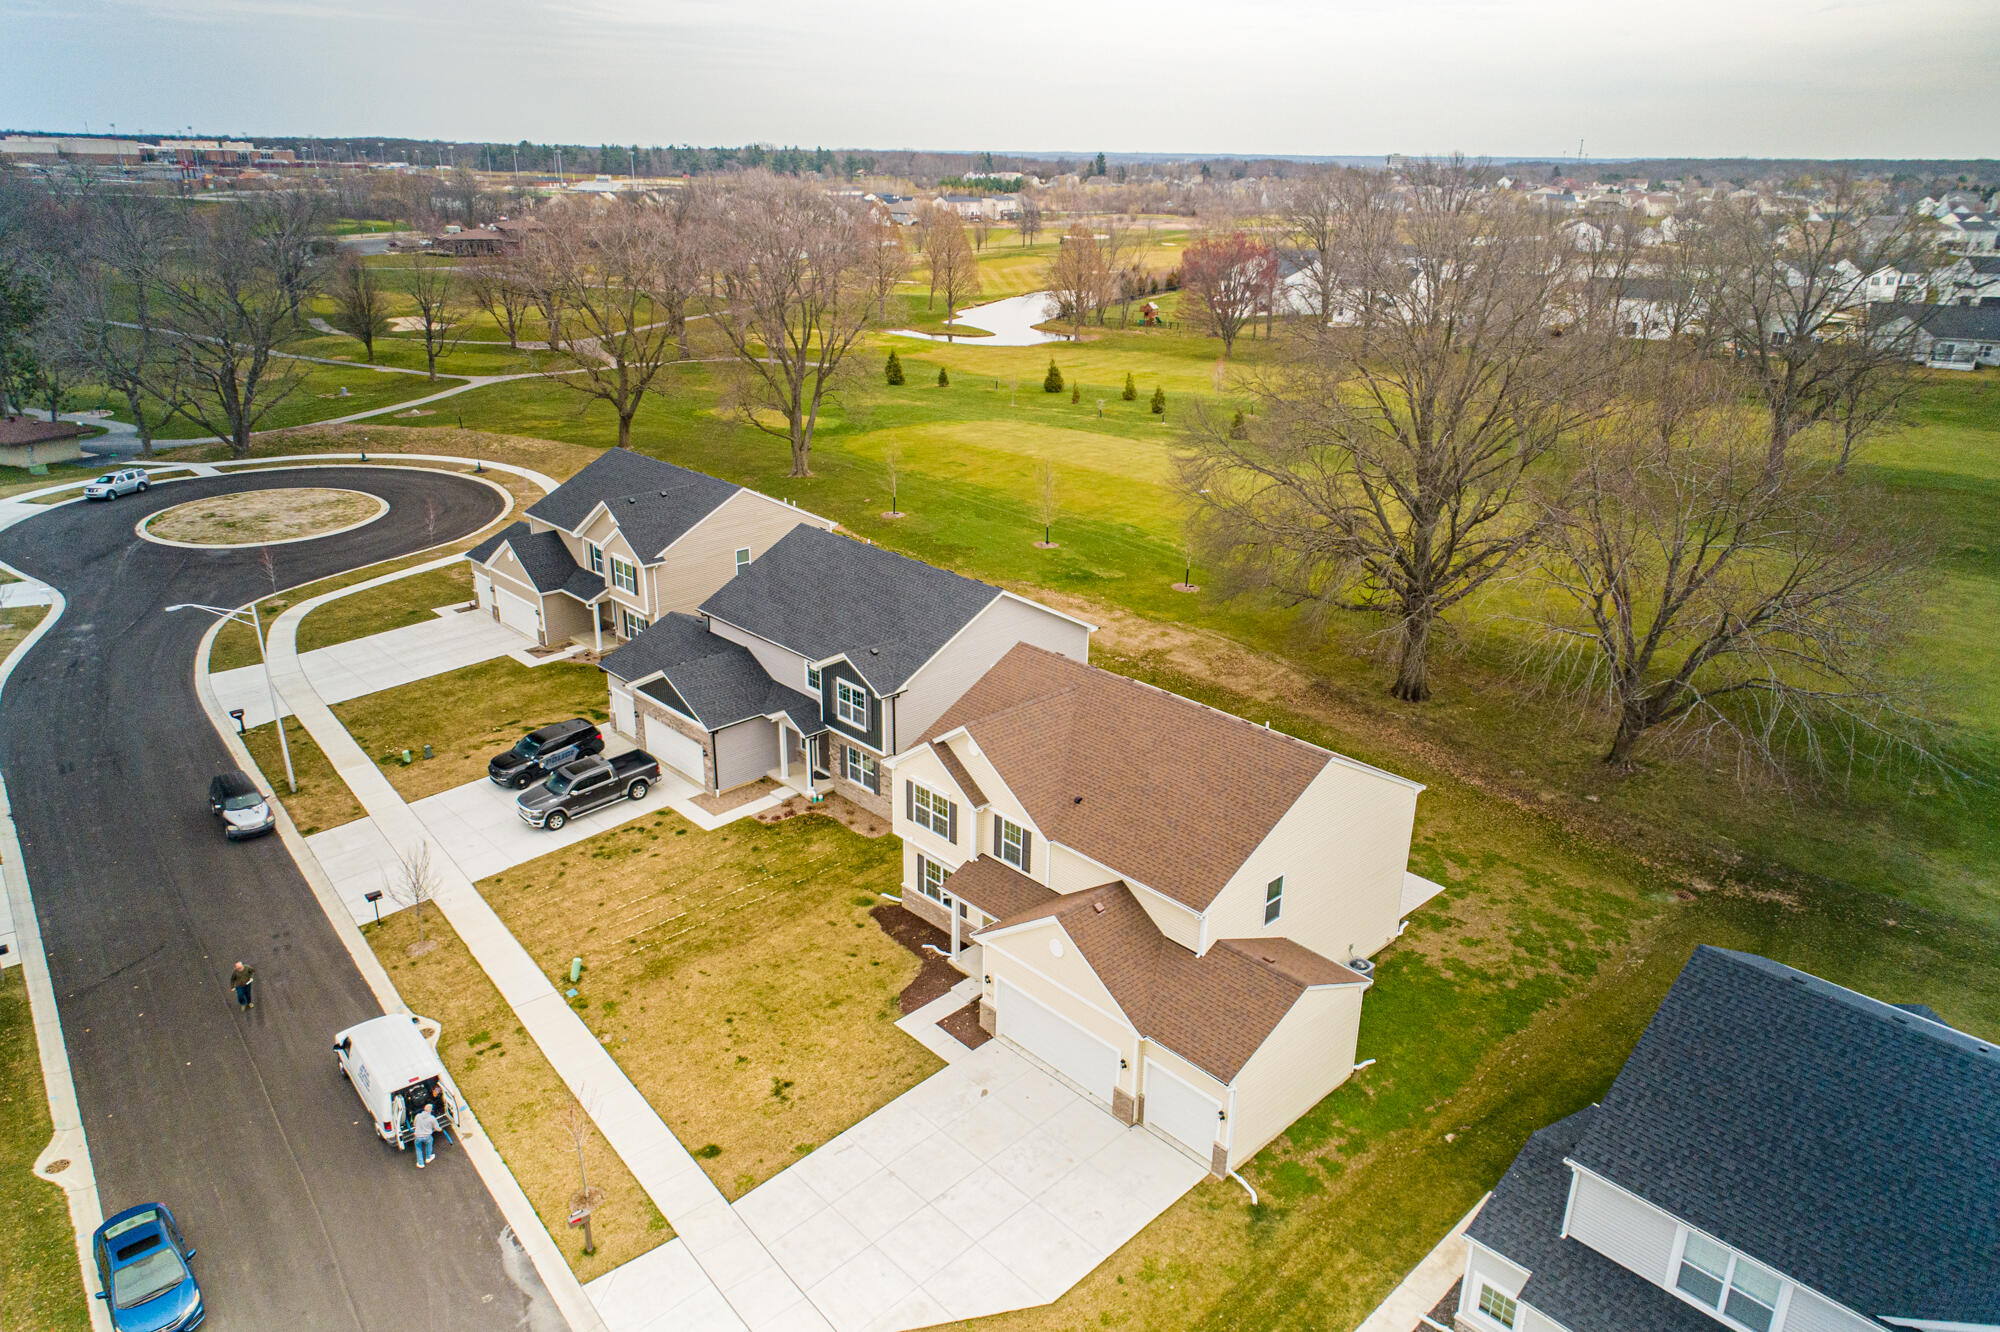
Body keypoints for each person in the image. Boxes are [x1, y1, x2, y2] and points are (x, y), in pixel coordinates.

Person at [411, 1103, 438, 1169]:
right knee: (429, 1145)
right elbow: (437, 1127)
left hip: (418, 1136)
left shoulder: (418, 1116)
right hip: (427, 1136)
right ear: (431, 1110)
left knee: (418, 1148)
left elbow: (414, 1124)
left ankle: (420, 1163)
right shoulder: (432, 1118)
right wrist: (440, 1129)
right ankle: (428, 1157)